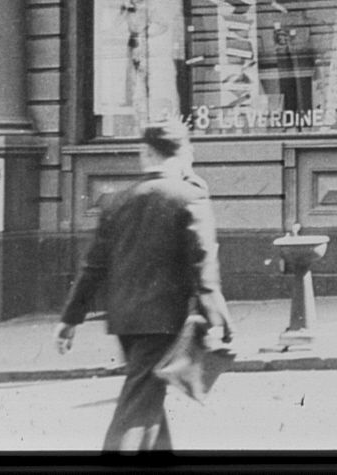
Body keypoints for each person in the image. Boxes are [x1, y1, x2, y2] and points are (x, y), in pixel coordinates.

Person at [54, 120, 233, 452]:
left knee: (148, 395)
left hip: (125, 321)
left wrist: (70, 320)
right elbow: (203, 265)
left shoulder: (117, 201)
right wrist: (215, 321)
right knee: (138, 406)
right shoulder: (190, 196)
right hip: (164, 322)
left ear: (146, 153)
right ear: (183, 154)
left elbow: (92, 267)